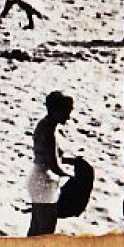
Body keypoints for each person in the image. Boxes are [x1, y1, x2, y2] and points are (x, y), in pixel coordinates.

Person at [28, 92, 75, 236]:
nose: (68, 116)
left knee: (36, 229)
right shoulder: (50, 132)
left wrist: (71, 161)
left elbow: (46, 155)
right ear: (56, 111)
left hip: (37, 178)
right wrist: (71, 176)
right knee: (46, 231)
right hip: (45, 182)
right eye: (66, 112)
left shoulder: (44, 124)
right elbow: (54, 164)